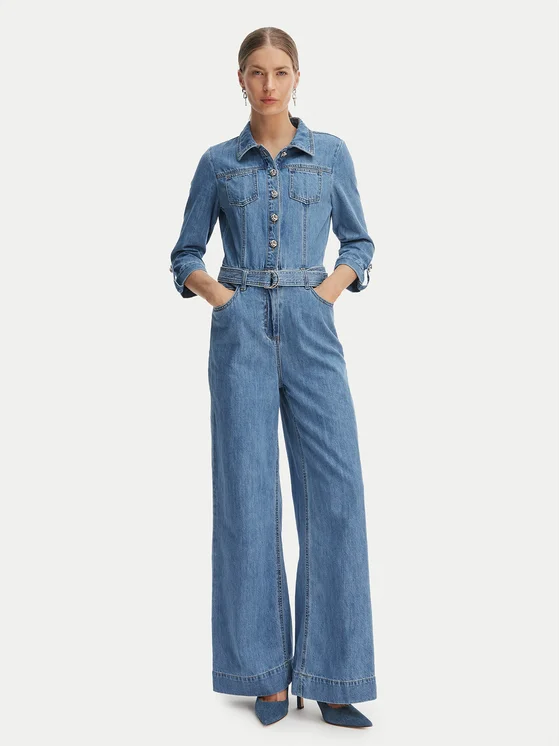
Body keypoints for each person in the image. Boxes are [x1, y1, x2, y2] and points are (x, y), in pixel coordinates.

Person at [169, 27, 378, 728]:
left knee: (338, 495)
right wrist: (222, 299)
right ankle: (262, 673)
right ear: (240, 79)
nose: (268, 84)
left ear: (297, 77)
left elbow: (359, 241)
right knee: (248, 498)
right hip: (240, 335)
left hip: (312, 327)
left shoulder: (330, 154)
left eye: (280, 71)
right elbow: (185, 253)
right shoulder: (218, 163)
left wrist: (324, 294)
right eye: (256, 72)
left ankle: (334, 675)